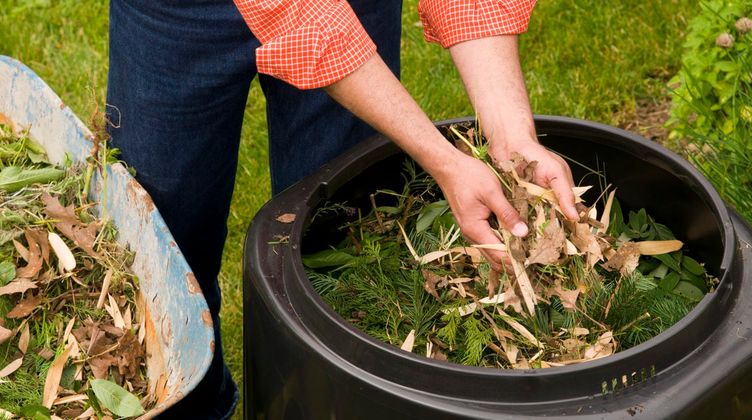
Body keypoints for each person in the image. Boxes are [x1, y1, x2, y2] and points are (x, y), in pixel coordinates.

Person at [106, 0, 578, 418]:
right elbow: (298, 13)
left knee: (340, 240)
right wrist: (442, 160)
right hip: (175, 15)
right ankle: (191, 407)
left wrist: (513, 138)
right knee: (165, 252)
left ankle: (317, 403)